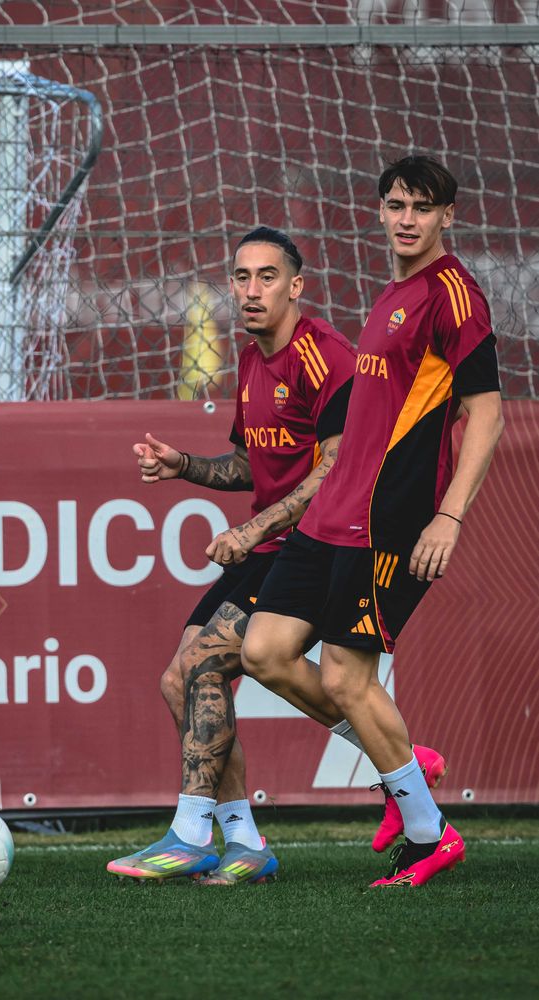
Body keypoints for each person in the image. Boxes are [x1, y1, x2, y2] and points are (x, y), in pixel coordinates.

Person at [107, 226, 445, 886]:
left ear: (295, 287)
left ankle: (188, 831)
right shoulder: (250, 360)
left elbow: (332, 470)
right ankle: (245, 839)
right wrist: (182, 466)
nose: (251, 290)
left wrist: (248, 531)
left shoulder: (326, 357)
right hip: (273, 546)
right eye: (241, 277)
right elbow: (248, 464)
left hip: (322, 544)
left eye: (267, 277)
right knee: (181, 679)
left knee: (206, 661)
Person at [240, 157, 504, 887]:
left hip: (391, 515)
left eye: (422, 206)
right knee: (263, 651)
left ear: (447, 214)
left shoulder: (454, 294)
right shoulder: (393, 289)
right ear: (381, 210)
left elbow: (484, 412)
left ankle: (427, 834)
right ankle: (404, 769)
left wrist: (447, 517)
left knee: (348, 677)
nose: (406, 218)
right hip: (332, 510)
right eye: (395, 204)